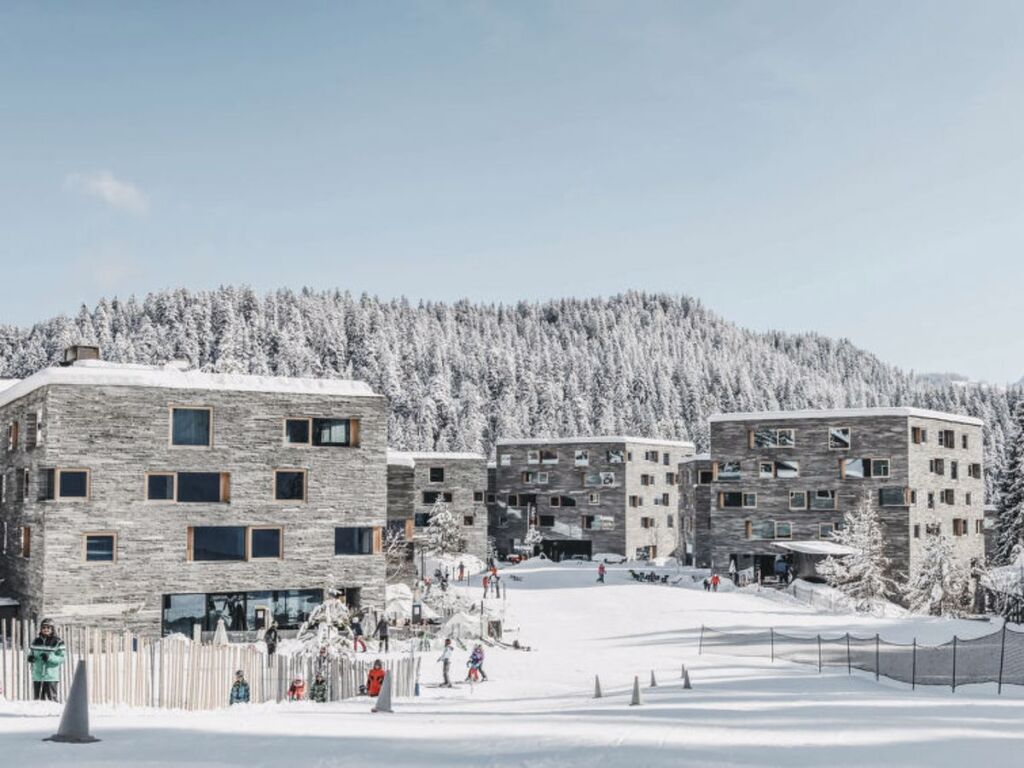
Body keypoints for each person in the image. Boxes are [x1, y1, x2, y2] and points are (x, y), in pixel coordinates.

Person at [27, 618, 66, 702]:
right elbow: (32, 653)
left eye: (48, 627)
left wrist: (49, 658)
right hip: (38, 675)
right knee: (38, 700)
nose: (46, 629)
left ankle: (54, 710)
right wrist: (31, 657)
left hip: (50, 676)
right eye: (44, 627)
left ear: (52, 629)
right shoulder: (36, 641)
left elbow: (62, 658)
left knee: (51, 700)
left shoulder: (57, 642)